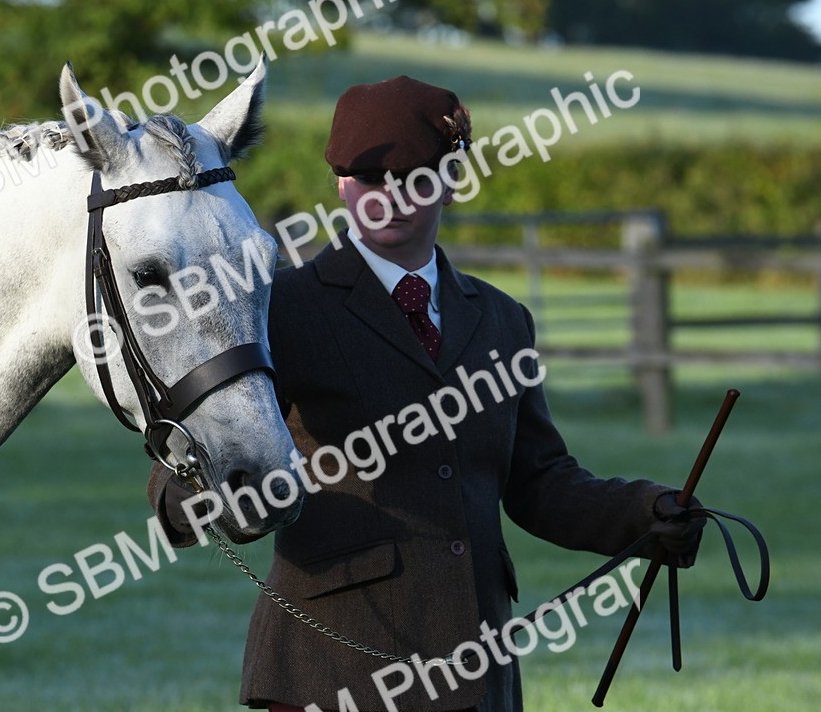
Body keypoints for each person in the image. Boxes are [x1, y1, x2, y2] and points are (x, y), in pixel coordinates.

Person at [148, 75, 704, 712]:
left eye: (412, 176)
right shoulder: (280, 309)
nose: (388, 196)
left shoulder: (503, 320)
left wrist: (645, 513)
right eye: (367, 177)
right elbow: (194, 453)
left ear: (452, 177)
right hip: (328, 675)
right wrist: (193, 494)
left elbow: (539, 482)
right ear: (340, 184)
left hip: (477, 670)